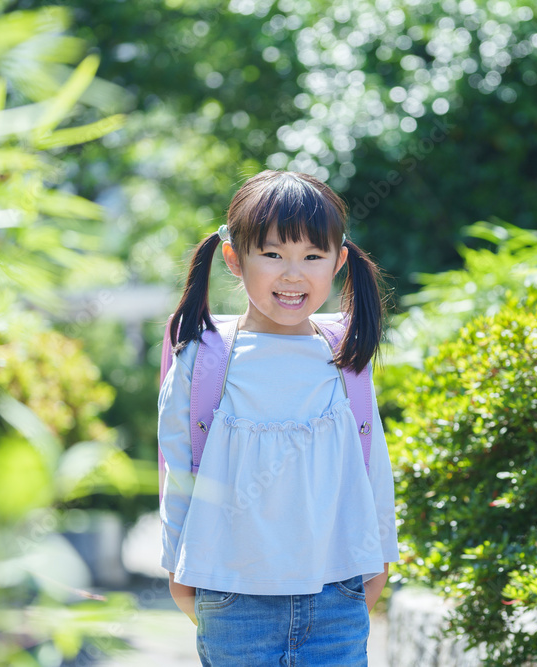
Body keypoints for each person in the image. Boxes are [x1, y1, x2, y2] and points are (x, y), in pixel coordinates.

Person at [157, 170, 399, 666]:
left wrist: (379, 565)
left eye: (312, 256)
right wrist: (178, 573)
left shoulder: (345, 355)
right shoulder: (204, 360)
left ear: (339, 261)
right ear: (234, 258)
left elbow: (372, 466)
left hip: (337, 599)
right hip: (233, 601)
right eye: (272, 254)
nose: (293, 275)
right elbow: (177, 471)